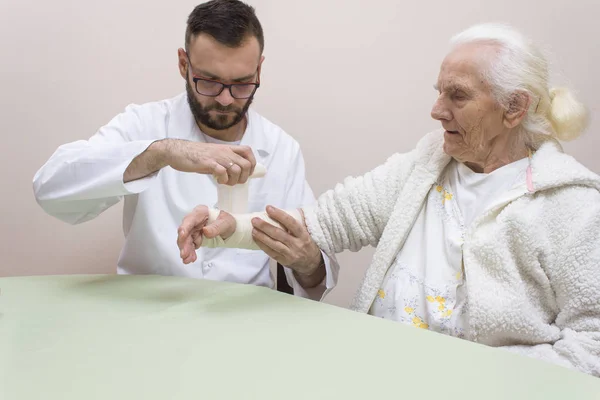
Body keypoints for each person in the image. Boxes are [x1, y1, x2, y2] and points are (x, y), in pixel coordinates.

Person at [177, 23, 600, 376]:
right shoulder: (426, 164)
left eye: (458, 95)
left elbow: (592, 344)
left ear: (514, 109)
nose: (436, 110)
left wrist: (475, 377)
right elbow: (326, 220)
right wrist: (229, 227)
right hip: (375, 375)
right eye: (439, 92)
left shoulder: (572, 205)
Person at [32, 0, 337, 300]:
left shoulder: (281, 148)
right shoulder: (144, 123)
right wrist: (161, 152)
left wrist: (307, 262)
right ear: (183, 64)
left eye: (242, 84)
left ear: (259, 70)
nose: (226, 100)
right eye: (210, 82)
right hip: (147, 314)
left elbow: (314, 268)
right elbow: (50, 187)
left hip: (242, 321)